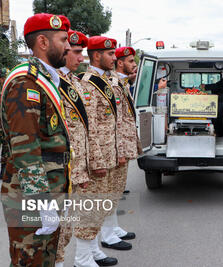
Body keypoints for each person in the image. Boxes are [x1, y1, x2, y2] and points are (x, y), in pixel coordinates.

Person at [0, 13, 71, 266]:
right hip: (29, 198)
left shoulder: (43, 79)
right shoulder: (25, 82)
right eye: (63, 40)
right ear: (43, 42)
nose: (69, 46)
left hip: (46, 191)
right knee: (29, 260)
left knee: (44, 259)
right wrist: (42, 202)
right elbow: (25, 147)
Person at [73, 36, 124, 267]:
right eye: (110, 54)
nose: (115, 57)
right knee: (90, 208)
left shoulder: (105, 80)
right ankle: (82, 258)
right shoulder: (88, 83)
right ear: (97, 56)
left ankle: (93, 250)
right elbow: (89, 125)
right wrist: (96, 159)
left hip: (108, 154)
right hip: (97, 157)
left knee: (99, 205)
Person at [99, 46, 142, 250]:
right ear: (120, 63)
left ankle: (113, 228)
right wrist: (120, 150)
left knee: (116, 191)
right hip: (115, 147)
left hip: (121, 146)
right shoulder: (113, 84)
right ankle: (107, 235)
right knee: (110, 192)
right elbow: (114, 122)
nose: (134, 65)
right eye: (131, 61)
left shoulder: (121, 83)